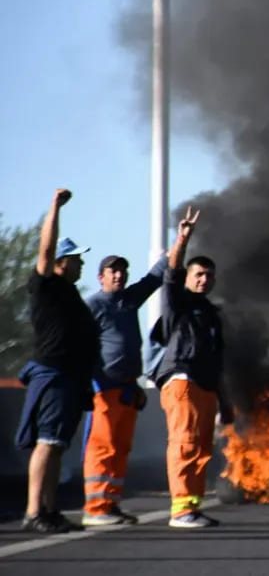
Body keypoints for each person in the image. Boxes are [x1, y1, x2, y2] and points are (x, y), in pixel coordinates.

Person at [15, 188, 99, 533]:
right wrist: (54, 208)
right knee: (47, 443)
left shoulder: (70, 293)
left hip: (70, 377)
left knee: (57, 445)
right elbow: (46, 248)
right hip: (52, 373)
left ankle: (49, 510)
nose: (81, 263)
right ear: (60, 263)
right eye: (76, 258)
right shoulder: (46, 285)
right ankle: (34, 511)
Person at [147, 207, 231, 529]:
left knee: (201, 446)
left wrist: (226, 403)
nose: (204, 279)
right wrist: (182, 239)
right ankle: (180, 509)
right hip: (182, 379)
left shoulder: (211, 313)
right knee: (185, 442)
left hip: (206, 385)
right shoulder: (177, 302)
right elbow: (171, 273)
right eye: (198, 274)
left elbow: (218, 360)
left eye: (209, 275)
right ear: (189, 277)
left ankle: (191, 507)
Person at [80, 251, 168, 526]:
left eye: (122, 270)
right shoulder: (93, 306)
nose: (119, 275)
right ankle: (95, 507)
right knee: (102, 447)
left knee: (120, 447)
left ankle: (111, 503)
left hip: (128, 388)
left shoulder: (129, 301)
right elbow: (81, 346)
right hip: (103, 387)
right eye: (112, 271)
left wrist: (180, 243)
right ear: (100, 277)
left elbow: (154, 279)